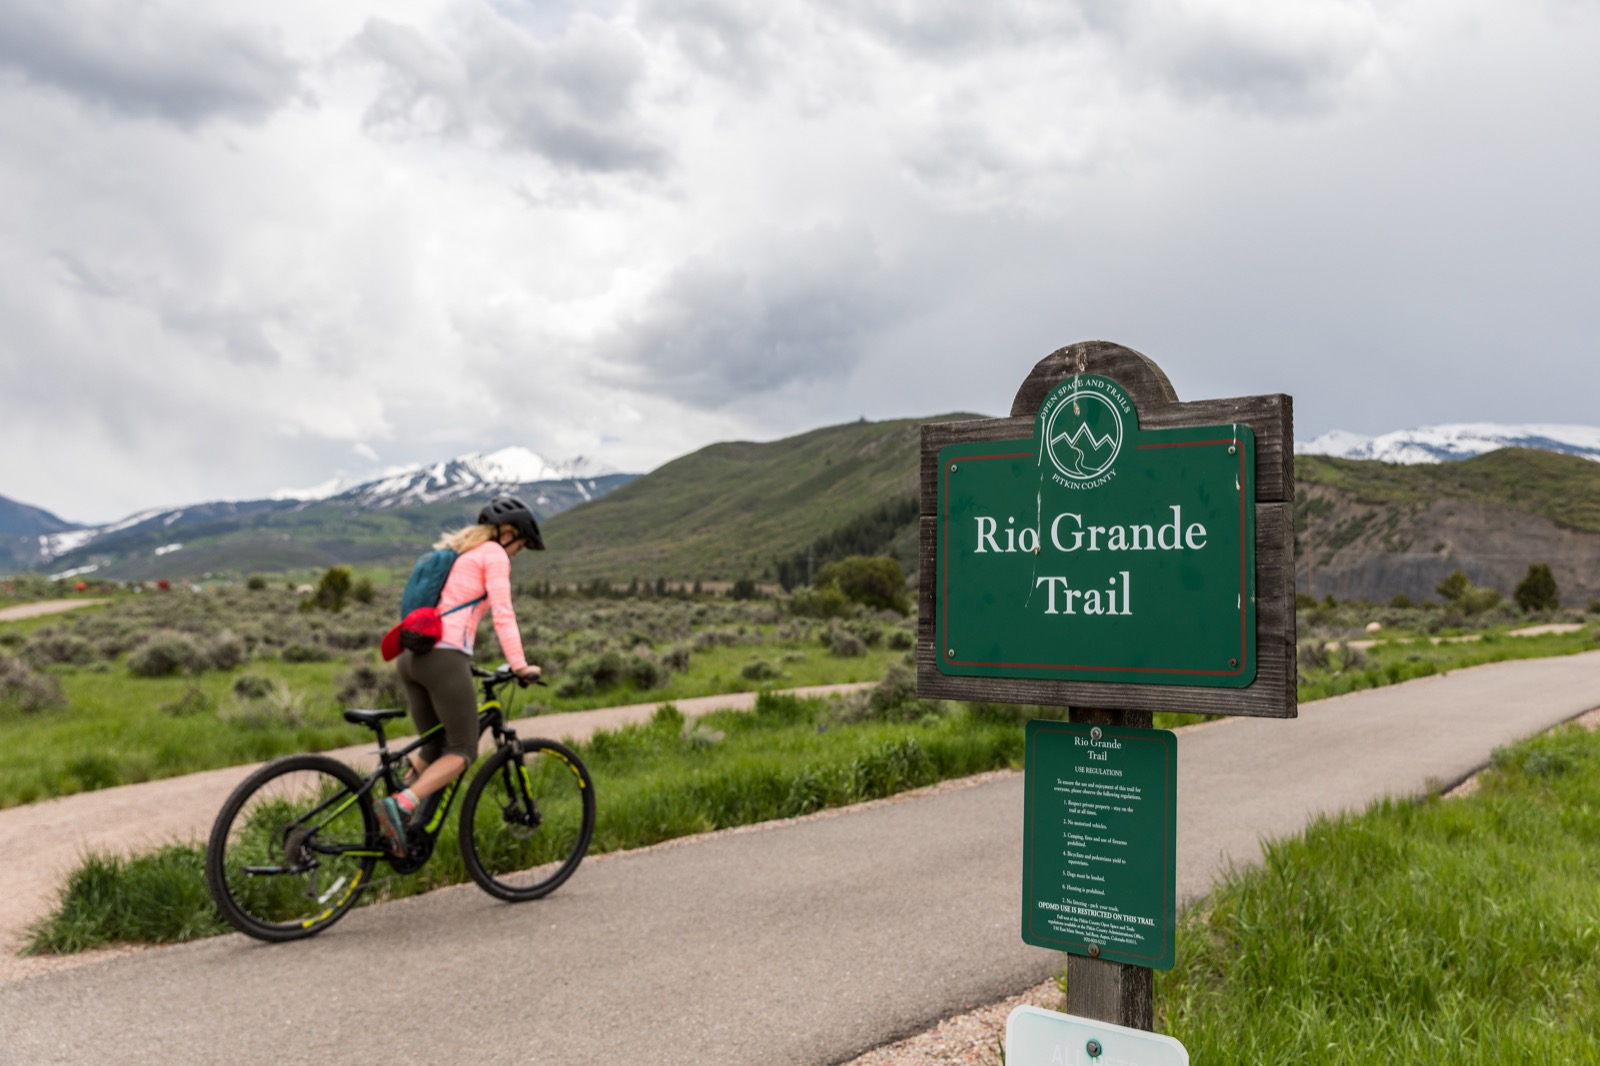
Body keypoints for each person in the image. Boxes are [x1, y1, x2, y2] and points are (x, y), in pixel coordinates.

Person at [376, 496, 544, 854]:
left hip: (412, 657)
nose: (519, 552)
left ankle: (391, 818)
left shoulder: (462, 555)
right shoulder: (494, 554)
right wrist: (520, 665)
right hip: (443, 657)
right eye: (521, 544)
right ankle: (400, 805)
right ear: (508, 533)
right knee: (463, 751)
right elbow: (503, 613)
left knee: (434, 746)